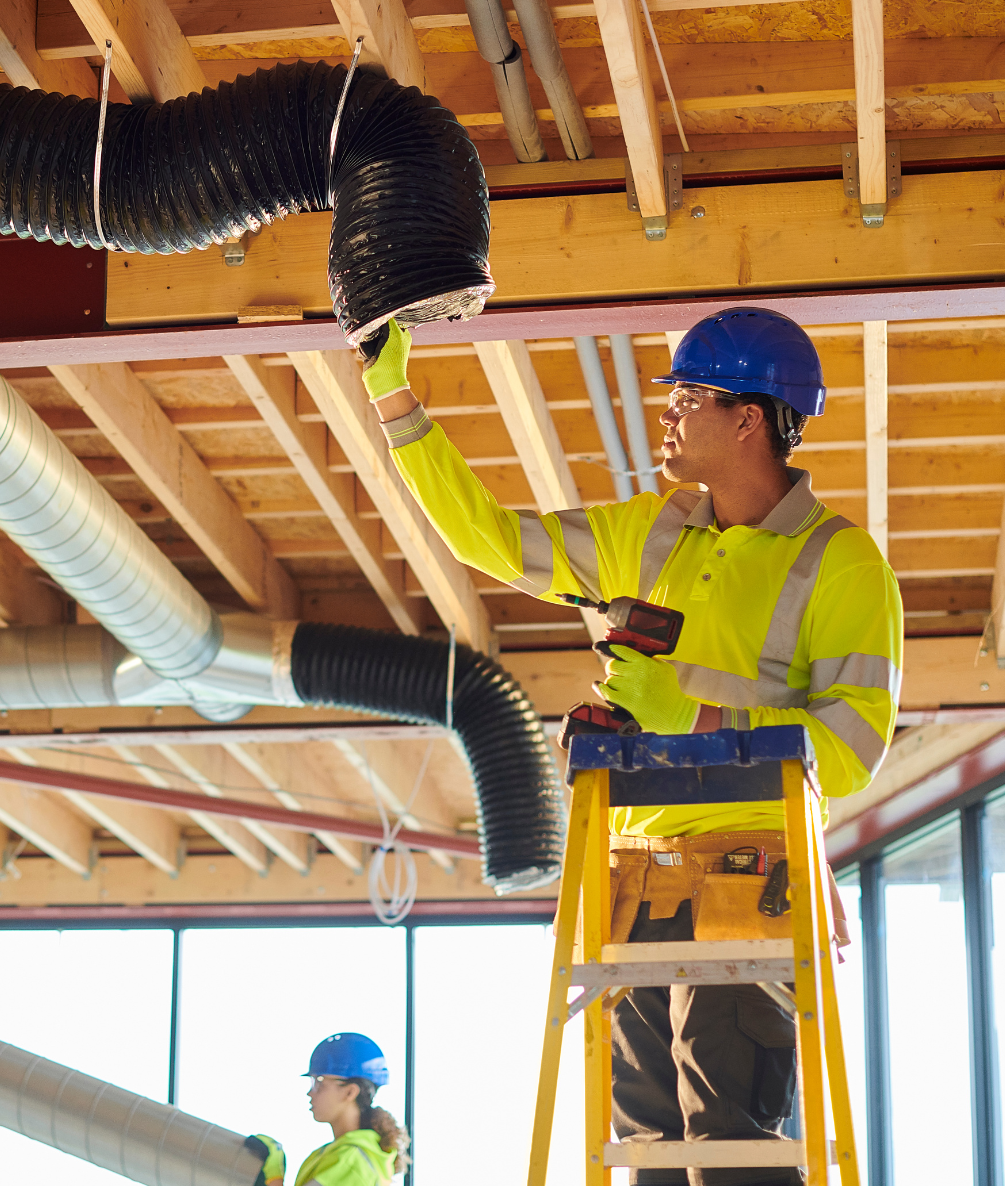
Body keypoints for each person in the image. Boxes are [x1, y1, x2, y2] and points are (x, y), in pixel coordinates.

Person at [361, 308, 902, 1184]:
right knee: (646, 1148)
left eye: (688, 396)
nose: (668, 415)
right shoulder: (650, 534)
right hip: (633, 876)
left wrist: (690, 717)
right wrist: (395, 403)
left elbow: (847, 750)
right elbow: (492, 539)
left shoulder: (841, 564)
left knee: (733, 1148)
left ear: (748, 419)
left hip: (751, 874)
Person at [297, 1033, 408, 1186]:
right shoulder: (340, 1155)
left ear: (350, 1092)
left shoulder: (351, 1162)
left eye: (320, 1081)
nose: (310, 1092)